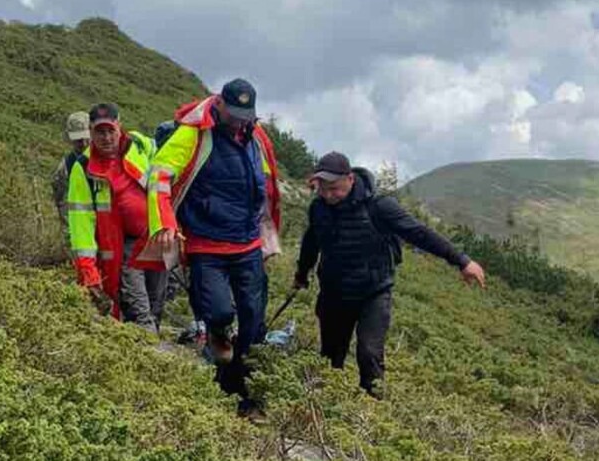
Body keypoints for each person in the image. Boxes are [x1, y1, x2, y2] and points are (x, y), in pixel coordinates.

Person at [294, 151, 486, 397]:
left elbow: (419, 233)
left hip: (373, 293)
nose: (329, 195)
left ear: (350, 179)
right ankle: (326, 411)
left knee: (369, 355)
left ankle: (373, 417)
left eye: (335, 188)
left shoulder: (379, 206)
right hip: (334, 293)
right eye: (323, 188)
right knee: (331, 357)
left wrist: (461, 260)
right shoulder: (318, 208)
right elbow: (312, 242)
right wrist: (302, 273)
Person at [141, 78, 281, 400]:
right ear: (218, 104)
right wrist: (163, 223)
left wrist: (268, 235)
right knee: (217, 312)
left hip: (247, 243)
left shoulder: (255, 136)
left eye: (245, 116)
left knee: (254, 320)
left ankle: (242, 390)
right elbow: (159, 177)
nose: (238, 122)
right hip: (206, 243)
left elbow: (266, 185)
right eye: (233, 114)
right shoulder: (193, 133)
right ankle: (217, 338)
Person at [63, 103, 167, 331]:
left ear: (120, 127)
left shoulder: (139, 145)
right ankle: (149, 348)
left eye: (111, 130)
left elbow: (167, 161)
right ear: (91, 132)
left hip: (155, 237)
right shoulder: (83, 169)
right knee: (138, 308)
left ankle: (150, 348)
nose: (106, 137)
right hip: (125, 246)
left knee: (156, 303)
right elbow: (81, 223)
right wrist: (87, 269)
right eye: (100, 132)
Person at [51, 111, 92, 226]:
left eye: (86, 137)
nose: (83, 143)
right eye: (78, 140)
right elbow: (62, 204)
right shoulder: (65, 167)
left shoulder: (110, 158)